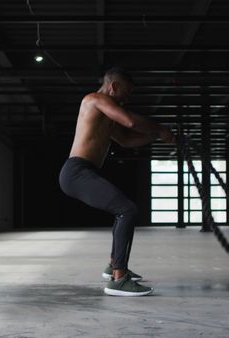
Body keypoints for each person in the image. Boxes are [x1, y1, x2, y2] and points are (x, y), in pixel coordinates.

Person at [59, 67, 176, 296]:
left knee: (123, 211)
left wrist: (157, 136)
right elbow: (130, 122)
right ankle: (118, 278)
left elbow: (126, 140)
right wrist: (160, 129)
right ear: (113, 86)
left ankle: (114, 266)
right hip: (76, 172)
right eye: (126, 92)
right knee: (127, 210)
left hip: (84, 171)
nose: (127, 98)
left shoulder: (105, 117)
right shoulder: (94, 100)